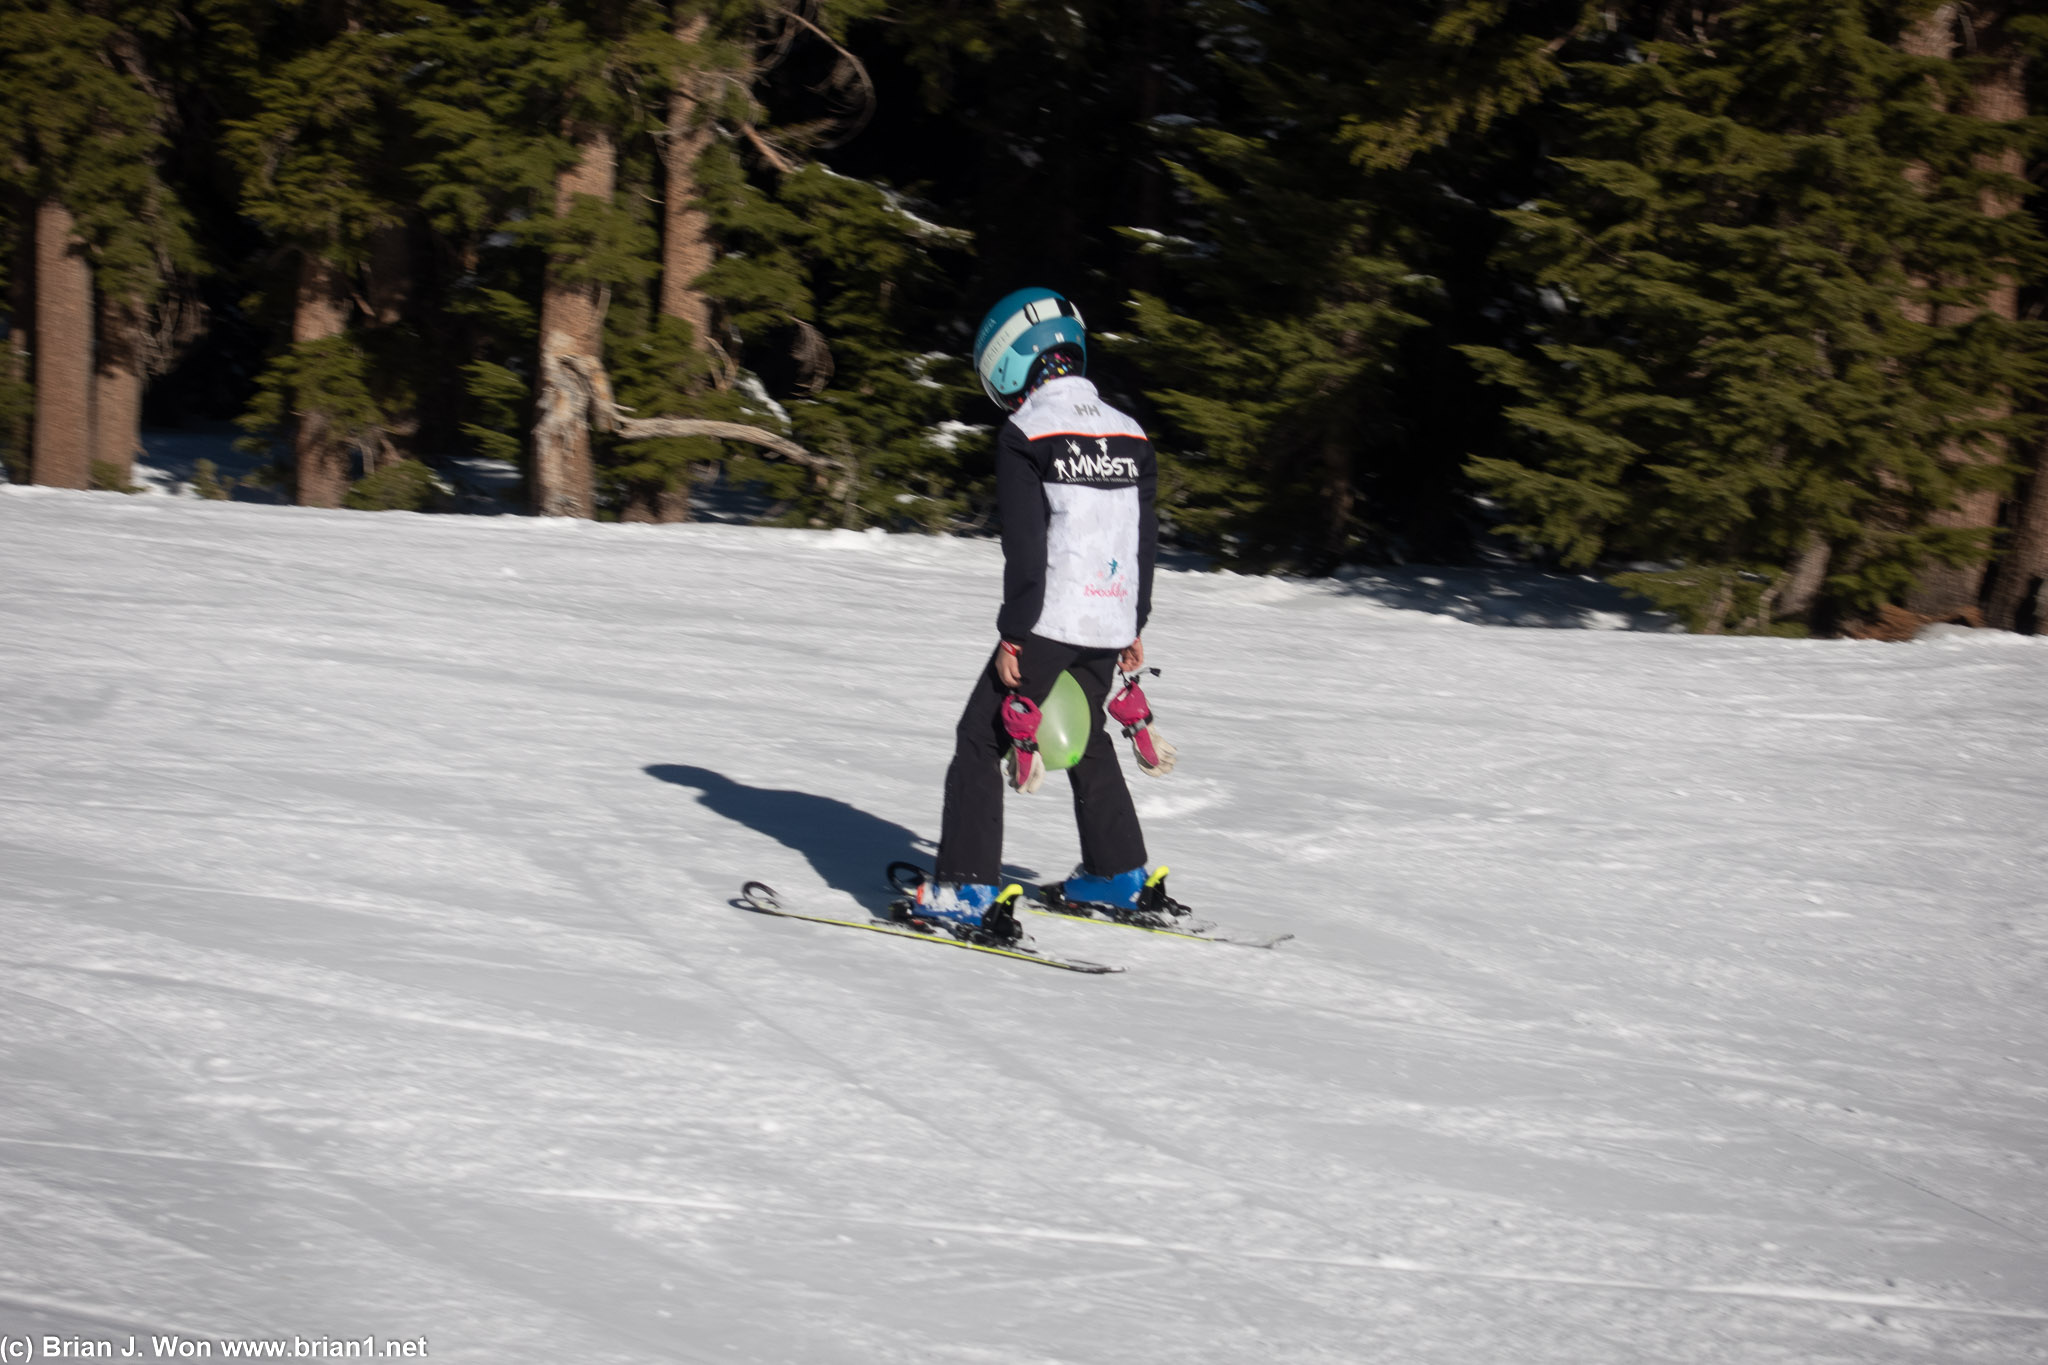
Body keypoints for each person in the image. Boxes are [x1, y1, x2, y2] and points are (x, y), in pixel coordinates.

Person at [910, 287, 1176, 941]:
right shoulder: (1130, 432)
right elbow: (1141, 541)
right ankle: (1117, 874)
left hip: (1050, 619)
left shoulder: (1026, 433)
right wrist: (1133, 623)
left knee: (979, 738)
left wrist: (1014, 634)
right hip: (1111, 621)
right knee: (1082, 733)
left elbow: (1027, 548)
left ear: (1006, 363)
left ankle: (964, 888)